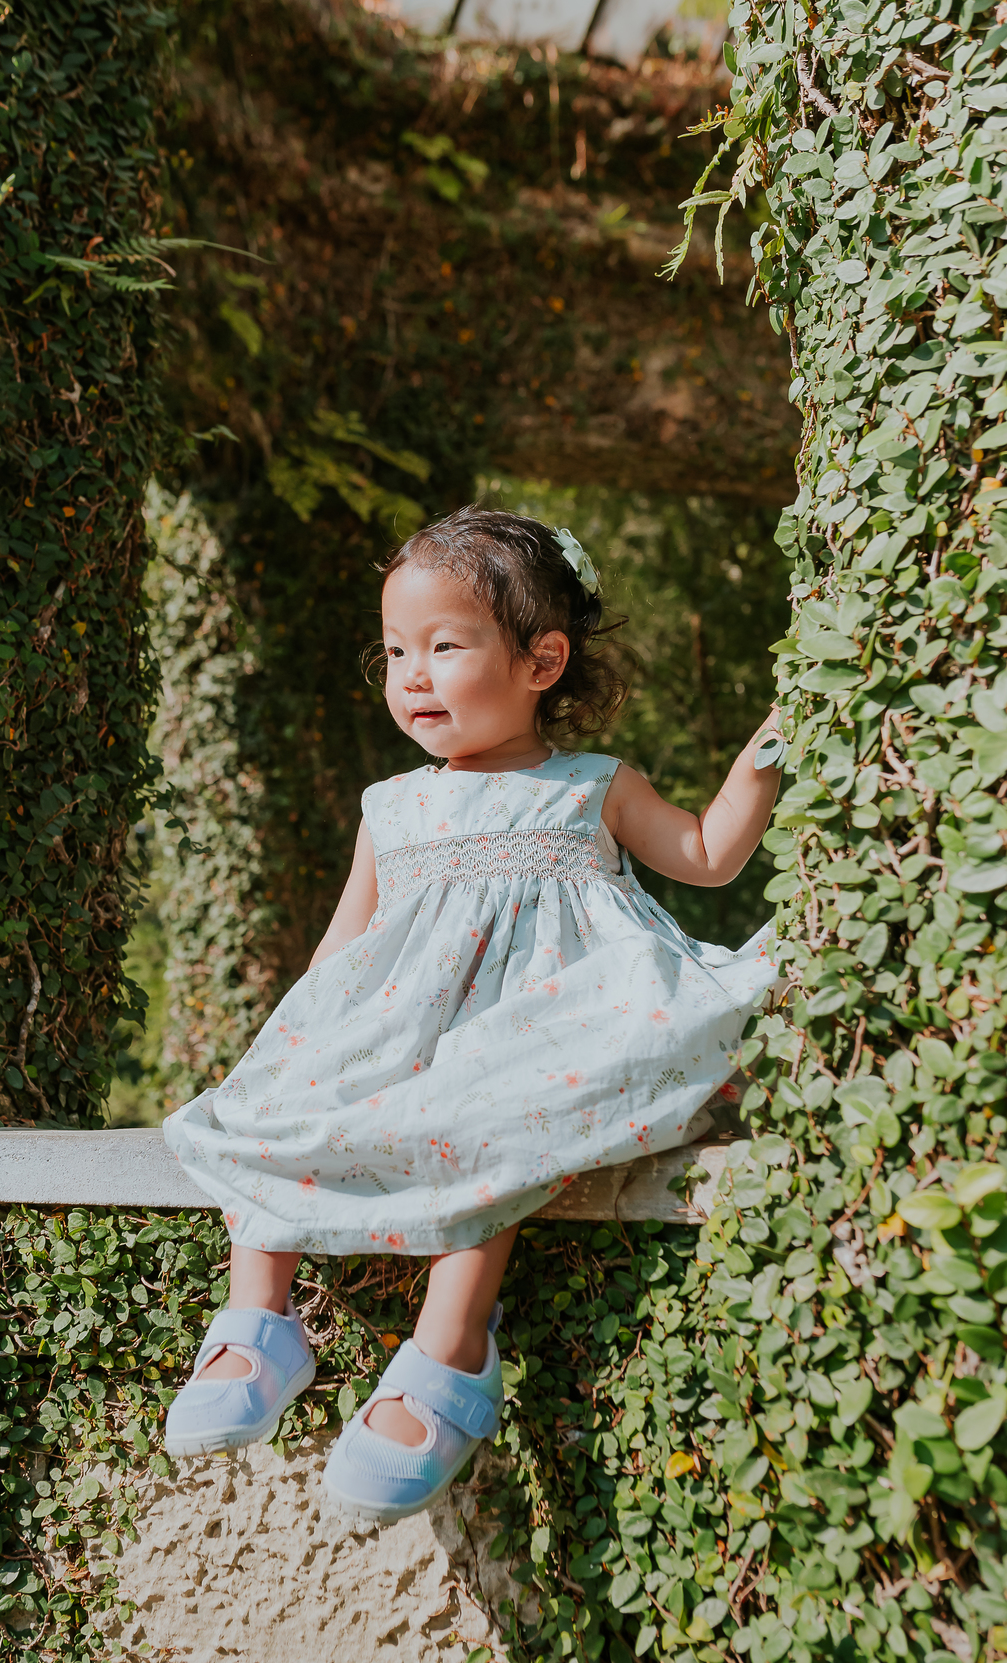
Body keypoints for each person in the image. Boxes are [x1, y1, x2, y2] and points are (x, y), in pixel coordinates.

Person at [162, 506, 785, 1526]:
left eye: (445, 647)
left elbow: (710, 855)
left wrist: (765, 753)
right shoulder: (391, 806)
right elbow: (341, 952)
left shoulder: (590, 787)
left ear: (542, 661)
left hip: (544, 1026)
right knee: (276, 1092)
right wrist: (292, 1048)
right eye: (398, 650)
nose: (412, 674)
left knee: (490, 1117)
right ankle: (253, 1325)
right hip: (394, 1028)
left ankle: (448, 1353)